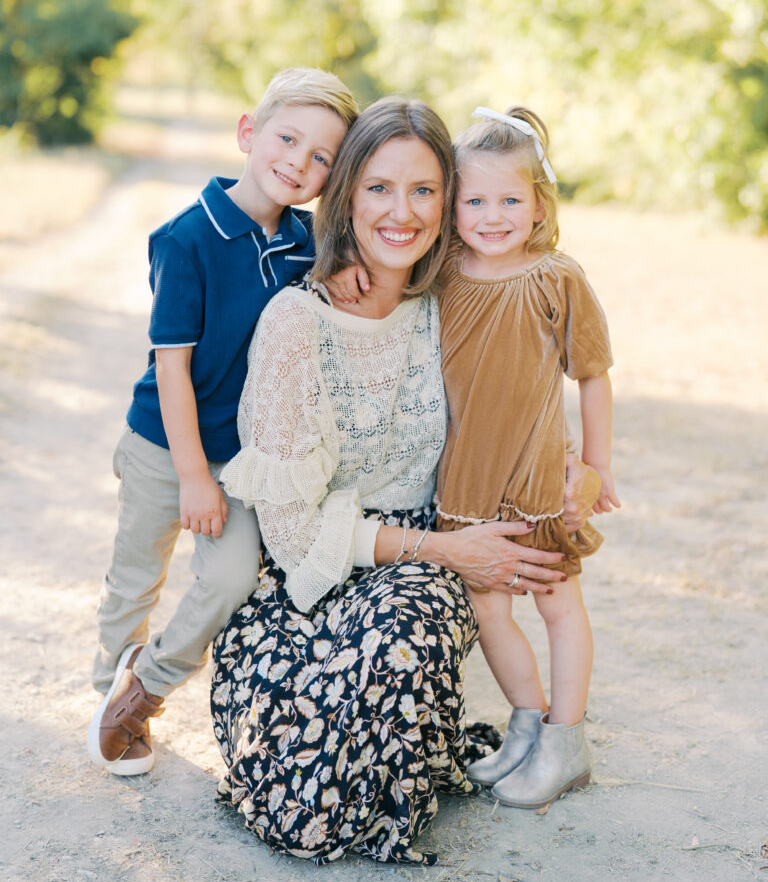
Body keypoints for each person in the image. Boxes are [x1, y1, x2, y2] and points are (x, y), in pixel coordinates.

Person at [210, 97, 582, 865]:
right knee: (303, 794)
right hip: (305, 582)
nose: (401, 212)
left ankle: (520, 739)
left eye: (424, 190)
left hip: (418, 574)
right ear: (345, 193)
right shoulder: (295, 323)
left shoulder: (452, 302)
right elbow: (292, 536)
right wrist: (452, 552)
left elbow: (526, 386)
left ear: (450, 202)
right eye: (378, 188)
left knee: (406, 628)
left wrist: (568, 466)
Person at [88, 68, 360, 776]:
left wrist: (343, 276)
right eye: (287, 139)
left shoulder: (308, 244)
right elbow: (171, 370)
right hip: (163, 446)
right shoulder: (188, 239)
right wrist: (190, 477)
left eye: (320, 156)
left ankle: (144, 688)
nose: (297, 162)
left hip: (239, 460)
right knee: (136, 577)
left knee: (232, 575)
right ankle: (108, 688)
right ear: (248, 132)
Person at [435, 104, 620, 809]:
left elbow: (593, 374)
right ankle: (528, 723)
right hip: (465, 480)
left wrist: (596, 463)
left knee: (556, 603)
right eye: (475, 201)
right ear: (453, 206)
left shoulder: (556, 278)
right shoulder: (443, 273)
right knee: (488, 608)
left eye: (511, 200)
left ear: (540, 204)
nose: (493, 216)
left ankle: (566, 742)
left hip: (538, 476)